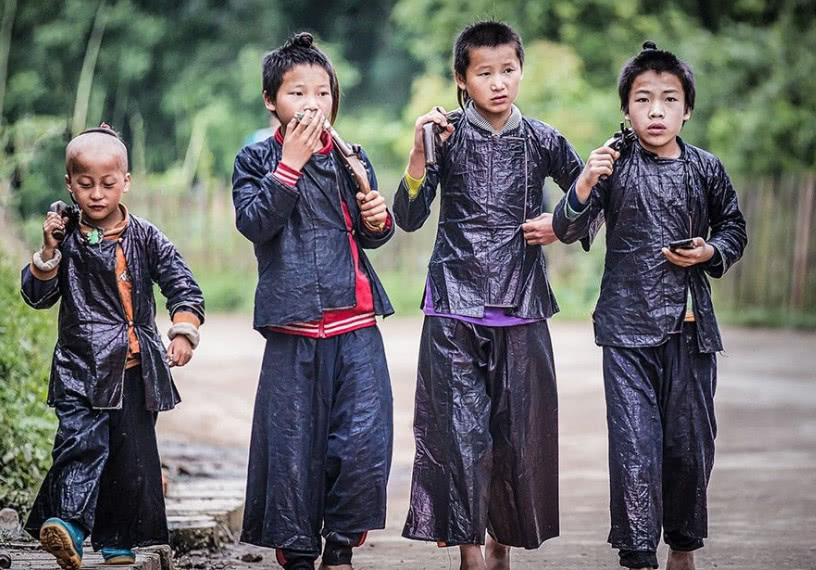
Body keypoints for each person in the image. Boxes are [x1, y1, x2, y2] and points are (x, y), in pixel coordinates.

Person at [393, 20, 584, 570]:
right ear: (462, 79)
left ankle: (503, 539)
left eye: (508, 70)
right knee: (459, 434)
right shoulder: (445, 137)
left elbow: (589, 196)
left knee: (517, 435)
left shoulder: (544, 139)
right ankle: (471, 552)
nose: (499, 82)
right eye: (485, 73)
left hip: (522, 305)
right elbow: (407, 217)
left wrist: (558, 224)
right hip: (454, 303)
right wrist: (417, 155)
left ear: (521, 70)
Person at [552, 41, 748, 570]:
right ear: (626, 110)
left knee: (688, 449)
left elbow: (734, 228)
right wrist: (586, 179)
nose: (656, 111)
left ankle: (683, 548)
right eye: (643, 100)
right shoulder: (612, 165)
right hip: (626, 332)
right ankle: (638, 555)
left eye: (669, 99)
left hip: (691, 333)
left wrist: (710, 251)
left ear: (687, 109)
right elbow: (566, 228)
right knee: (635, 451)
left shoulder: (706, 168)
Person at [232, 32, 395, 570]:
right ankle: (299, 552)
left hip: (356, 320)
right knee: (293, 447)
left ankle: (342, 547)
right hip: (292, 323)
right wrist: (290, 165)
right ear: (270, 101)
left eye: (322, 93)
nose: (311, 105)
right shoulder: (255, 157)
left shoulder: (352, 155)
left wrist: (378, 221)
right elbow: (256, 224)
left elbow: (369, 232)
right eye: (296, 93)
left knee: (364, 442)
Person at [22, 124, 205, 569]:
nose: (97, 195)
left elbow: (183, 286)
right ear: (69, 185)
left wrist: (183, 330)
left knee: (130, 456)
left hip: (135, 368)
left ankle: (117, 541)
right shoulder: (63, 237)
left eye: (107, 184)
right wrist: (47, 255)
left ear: (126, 181)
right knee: (80, 444)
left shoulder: (147, 237)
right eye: (85, 185)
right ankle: (66, 525)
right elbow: (37, 296)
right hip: (80, 368)